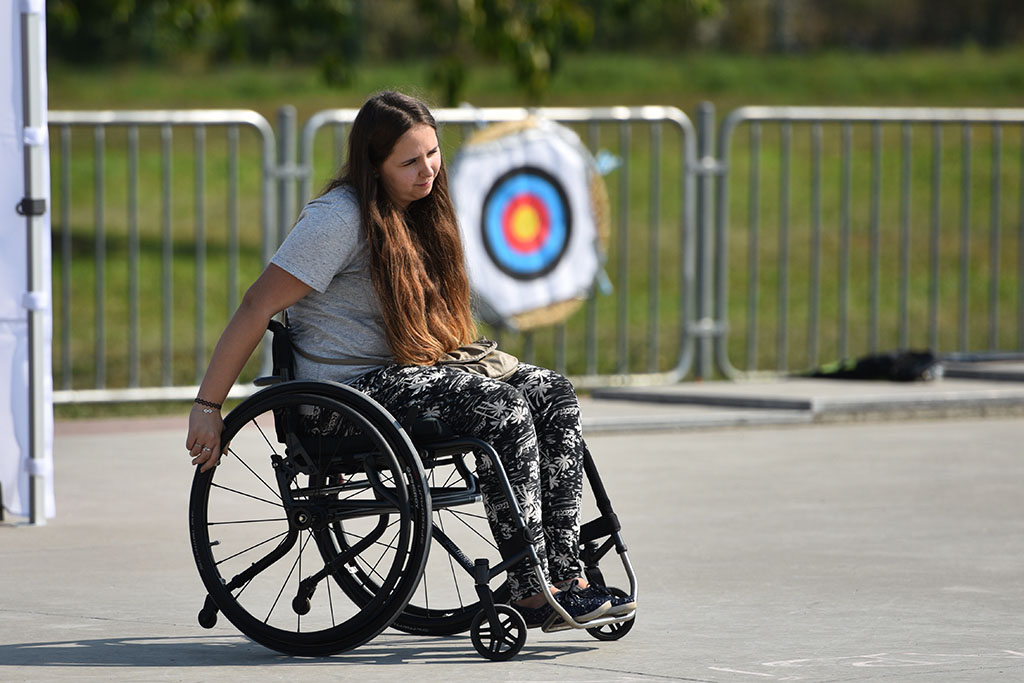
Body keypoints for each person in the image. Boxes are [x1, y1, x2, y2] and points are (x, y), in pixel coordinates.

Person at [185, 90, 634, 628]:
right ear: (373, 166)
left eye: (433, 154)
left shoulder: (422, 210)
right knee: (503, 409)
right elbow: (257, 303)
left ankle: (566, 575)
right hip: (347, 396)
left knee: (553, 393)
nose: (427, 171)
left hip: (408, 375)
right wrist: (208, 405)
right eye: (409, 161)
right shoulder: (337, 218)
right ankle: (531, 587)